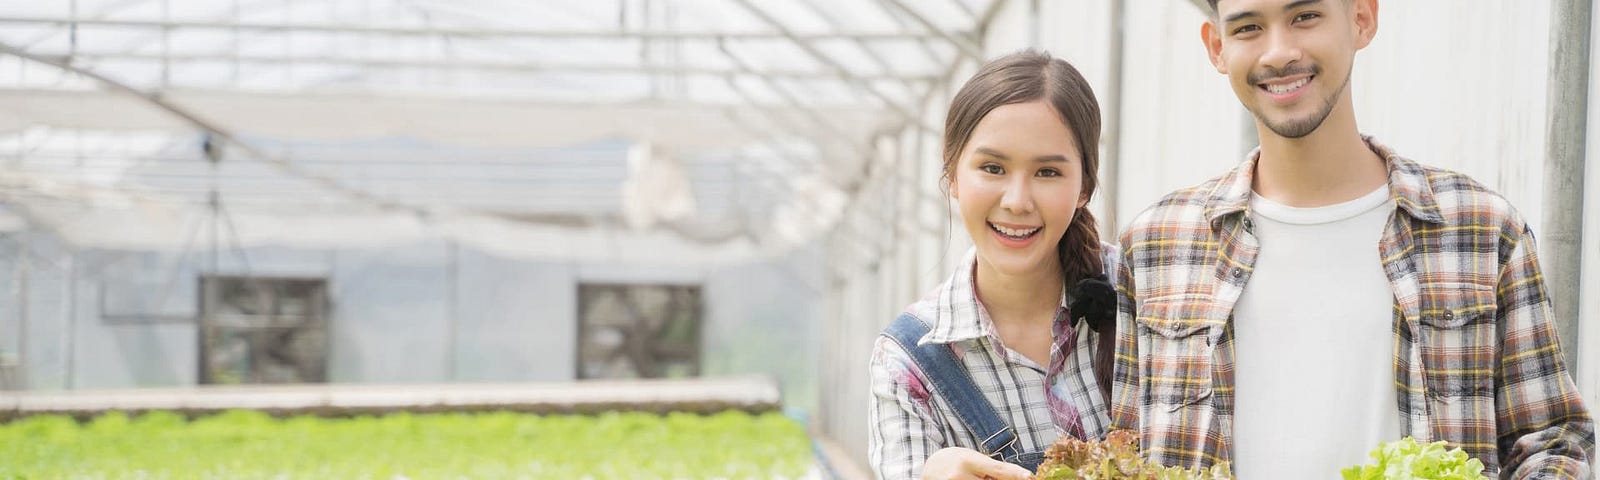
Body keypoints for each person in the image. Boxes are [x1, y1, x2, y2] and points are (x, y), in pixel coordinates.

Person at [1109, 0, 1595, 478]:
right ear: (1217, 46)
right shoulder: (1156, 246)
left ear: (1362, 19)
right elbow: (1123, 455)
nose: (1278, 52)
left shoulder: (1481, 230)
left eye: (1305, 16)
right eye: (1248, 27)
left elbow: (1552, 440)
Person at [868, 49, 1121, 480]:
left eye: (1047, 173)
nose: (1017, 202)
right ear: (952, 175)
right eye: (992, 167)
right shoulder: (911, 360)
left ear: (1085, 187)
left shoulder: (1146, 293)